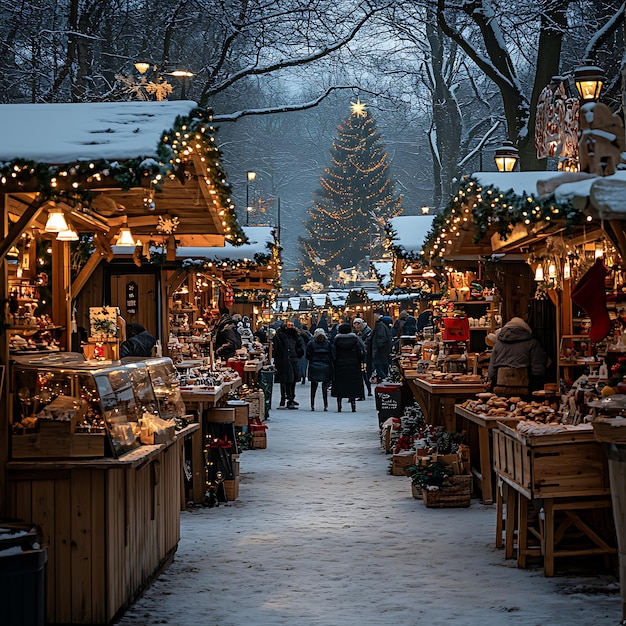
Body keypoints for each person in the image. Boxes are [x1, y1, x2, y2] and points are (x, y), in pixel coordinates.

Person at [488, 317, 547, 393]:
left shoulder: (498, 345)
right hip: (525, 391)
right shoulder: (532, 344)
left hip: (501, 391)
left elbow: (491, 373)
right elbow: (538, 371)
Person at [331, 323, 365, 412]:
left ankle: (339, 405)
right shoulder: (355, 340)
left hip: (339, 365)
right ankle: (353, 405)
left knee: (340, 385)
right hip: (353, 365)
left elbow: (333, 354)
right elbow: (360, 353)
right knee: (352, 385)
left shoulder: (336, 340)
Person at [273, 320, 306, 409]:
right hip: (283, 360)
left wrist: (299, 352)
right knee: (284, 381)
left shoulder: (295, 335)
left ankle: (291, 398)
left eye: (292, 325)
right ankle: (284, 398)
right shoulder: (279, 336)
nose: (290, 327)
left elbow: (300, 345)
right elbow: (275, 348)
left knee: (293, 380)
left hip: (293, 359)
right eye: (289, 325)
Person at [306, 328, 333, 411]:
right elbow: (332, 354)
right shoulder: (328, 343)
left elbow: (307, 355)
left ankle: (312, 404)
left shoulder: (311, 343)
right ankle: (325, 404)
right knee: (325, 387)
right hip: (325, 366)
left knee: (313, 387)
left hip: (314, 366)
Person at [352, 317, 373, 397]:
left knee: (364, 373)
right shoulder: (356, 332)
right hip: (360, 355)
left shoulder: (367, 331)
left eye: (358, 324)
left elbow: (366, 343)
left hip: (364, 356)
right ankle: (366, 391)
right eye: (355, 324)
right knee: (363, 373)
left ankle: (368, 391)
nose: (357, 326)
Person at [371, 309, 393, 383]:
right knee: (383, 366)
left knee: (379, 367)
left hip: (380, 351)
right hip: (384, 350)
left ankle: (385, 380)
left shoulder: (380, 325)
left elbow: (381, 338)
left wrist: (377, 346)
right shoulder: (383, 325)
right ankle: (385, 379)